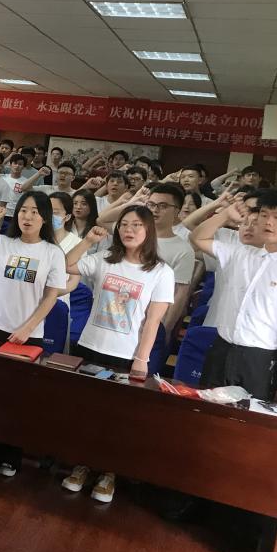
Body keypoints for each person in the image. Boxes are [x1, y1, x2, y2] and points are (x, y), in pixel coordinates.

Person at [62, 208, 173, 503]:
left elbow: (153, 321)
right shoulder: (104, 259)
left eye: (137, 225)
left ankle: (109, 473)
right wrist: (88, 240)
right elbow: (66, 264)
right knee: (87, 413)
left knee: (117, 418)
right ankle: (82, 466)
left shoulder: (161, 272)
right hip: (90, 346)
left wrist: (142, 359)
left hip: (126, 356)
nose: (129, 230)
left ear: (148, 230)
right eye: (124, 224)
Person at [0, 192, 67, 477]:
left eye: (35, 212)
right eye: (24, 210)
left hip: (29, 334)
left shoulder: (52, 253)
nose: (28, 216)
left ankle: (11, 456)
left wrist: (28, 327)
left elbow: (51, 296)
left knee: (17, 396)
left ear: (45, 218)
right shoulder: (1, 243)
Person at [192, 189, 277, 400]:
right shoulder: (241, 253)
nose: (268, 222)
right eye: (264, 215)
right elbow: (197, 237)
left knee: (250, 417)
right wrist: (225, 215)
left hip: (263, 358)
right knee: (208, 408)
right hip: (222, 348)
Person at [99, 183, 195, 340]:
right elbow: (102, 219)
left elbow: (179, 294)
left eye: (163, 206)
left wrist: (164, 328)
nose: (155, 210)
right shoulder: (132, 233)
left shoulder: (183, 249)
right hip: (114, 313)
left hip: (147, 323)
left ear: (177, 210)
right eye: (151, 204)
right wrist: (133, 202)